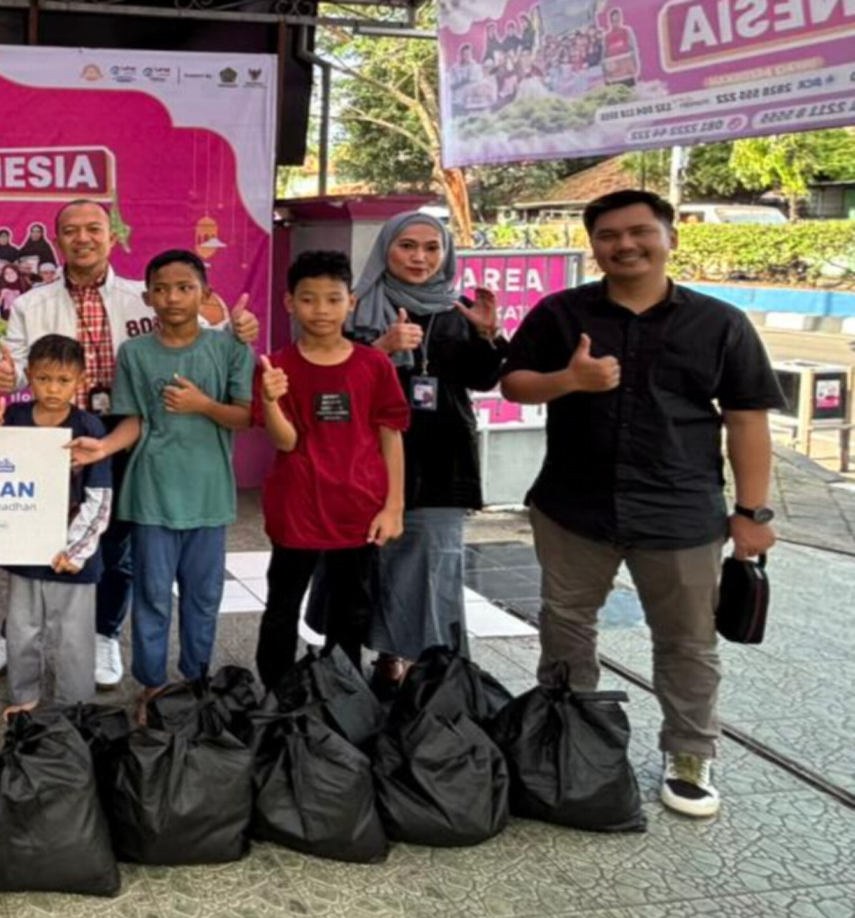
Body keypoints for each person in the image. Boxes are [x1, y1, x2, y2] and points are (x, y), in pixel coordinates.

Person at [500, 189, 784, 819]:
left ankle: (690, 753)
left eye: (639, 232)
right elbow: (514, 384)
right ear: (593, 246)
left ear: (669, 238)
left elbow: (746, 419)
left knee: (686, 641)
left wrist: (753, 514)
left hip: (681, 511)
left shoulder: (720, 324)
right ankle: (568, 734)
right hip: (574, 506)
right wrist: (570, 380)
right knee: (566, 627)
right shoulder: (561, 313)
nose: (624, 245)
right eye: (608, 235)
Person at [0, 198, 260, 691]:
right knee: (39, 536)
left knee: (117, 544)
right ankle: (13, 636)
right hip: (54, 432)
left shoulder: (142, 296)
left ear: (112, 237)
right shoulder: (30, 304)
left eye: (94, 228)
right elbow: (15, 366)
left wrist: (239, 329)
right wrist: (6, 375)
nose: (82, 238)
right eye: (71, 230)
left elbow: (196, 332)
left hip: (125, 428)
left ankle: (104, 632)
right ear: (57, 240)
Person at [320, 211, 503, 697]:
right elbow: (331, 386)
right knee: (369, 564)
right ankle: (369, 660)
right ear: (386, 249)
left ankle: (423, 668)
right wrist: (380, 349)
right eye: (407, 246)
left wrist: (488, 335)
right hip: (365, 459)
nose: (419, 257)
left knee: (430, 564)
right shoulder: (355, 307)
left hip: (442, 458)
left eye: (431, 247)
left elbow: (484, 379)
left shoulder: (459, 310)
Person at [70, 250, 254, 709]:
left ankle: (196, 677)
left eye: (184, 287)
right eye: (162, 289)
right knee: (151, 594)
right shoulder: (134, 353)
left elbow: (245, 416)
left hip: (209, 494)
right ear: (148, 297)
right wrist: (103, 448)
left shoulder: (229, 348)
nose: (173, 297)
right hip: (151, 492)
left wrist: (202, 405)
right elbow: (133, 419)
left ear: (204, 294)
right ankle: (151, 683)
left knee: (204, 595)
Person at [254, 251, 409, 690]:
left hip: (358, 508)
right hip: (296, 507)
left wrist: (394, 507)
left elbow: (391, 435)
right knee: (282, 604)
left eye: (333, 299)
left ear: (351, 302)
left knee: (351, 608)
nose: (320, 310)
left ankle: (344, 690)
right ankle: (277, 693)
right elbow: (286, 441)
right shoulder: (276, 366)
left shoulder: (373, 364)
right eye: (308, 299)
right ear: (289, 302)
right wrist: (269, 400)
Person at [0, 335, 113, 718]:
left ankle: (75, 705)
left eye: (63, 380)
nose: (53, 389)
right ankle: (23, 696)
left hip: (73, 554)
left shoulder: (89, 427)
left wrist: (76, 550)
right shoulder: (14, 419)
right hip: (25, 547)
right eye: (43, 379)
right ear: (29, 376)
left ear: (81, 380)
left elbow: (99, 498)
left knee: (74, 635)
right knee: (22, 629)